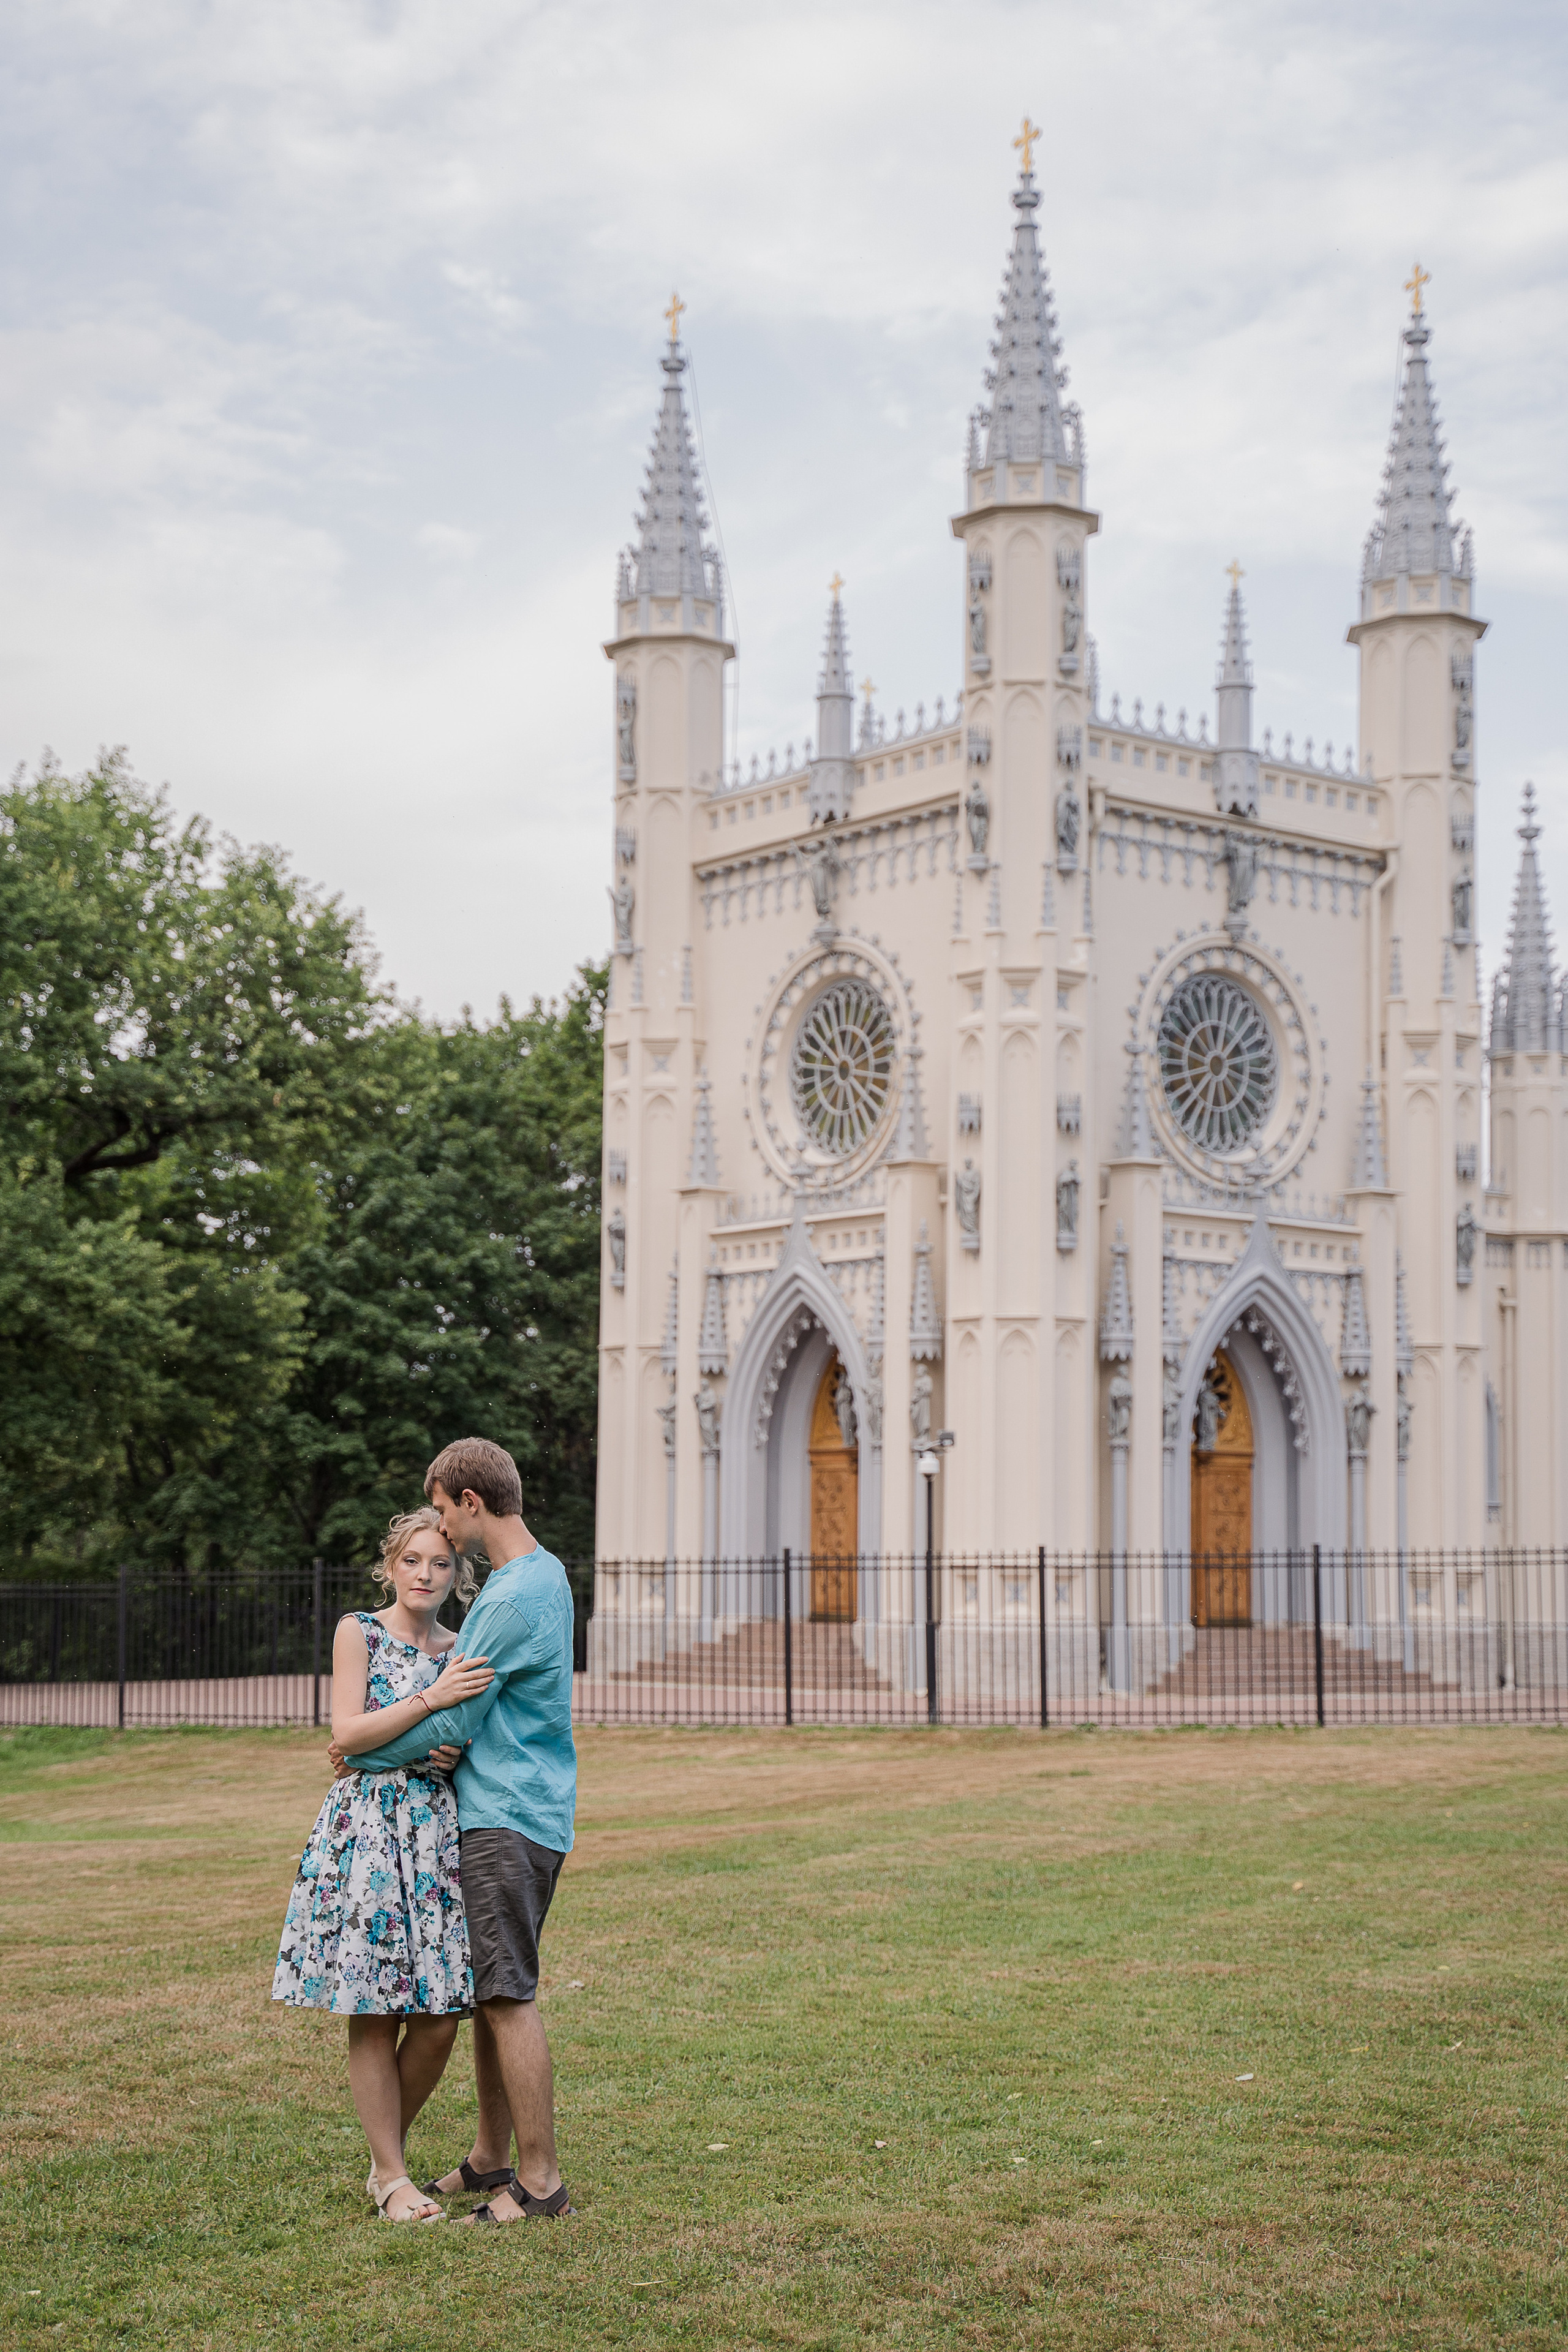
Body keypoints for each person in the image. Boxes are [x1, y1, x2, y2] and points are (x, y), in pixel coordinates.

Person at [341, 1436, 578, 2225]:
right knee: (490, 1989)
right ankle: (488, 2160)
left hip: (505, 1815)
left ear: (469, 1502)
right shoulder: (543, 1575)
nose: (441, 1528)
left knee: (507, 1994)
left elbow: (456, 1706)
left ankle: (539, 2186)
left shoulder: (508, 1599)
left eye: (442, 1508)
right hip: (529, 1806)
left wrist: (359, 1753)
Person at [272, 1507, 495, 2222]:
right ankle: (394, 2177)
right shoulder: (358, 1632)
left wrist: (451, 1750)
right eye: (412, 1561)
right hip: (367, 1829)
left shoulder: (462, 1649)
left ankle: (382, 2164)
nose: (426, 1574)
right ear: (390, 1566)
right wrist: (426, 1704)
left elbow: (453, 1740)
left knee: (438, 2015)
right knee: (373, 2009)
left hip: (434, 1834)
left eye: (439, 1563)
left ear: (457, 1574)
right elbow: (348, 1734)